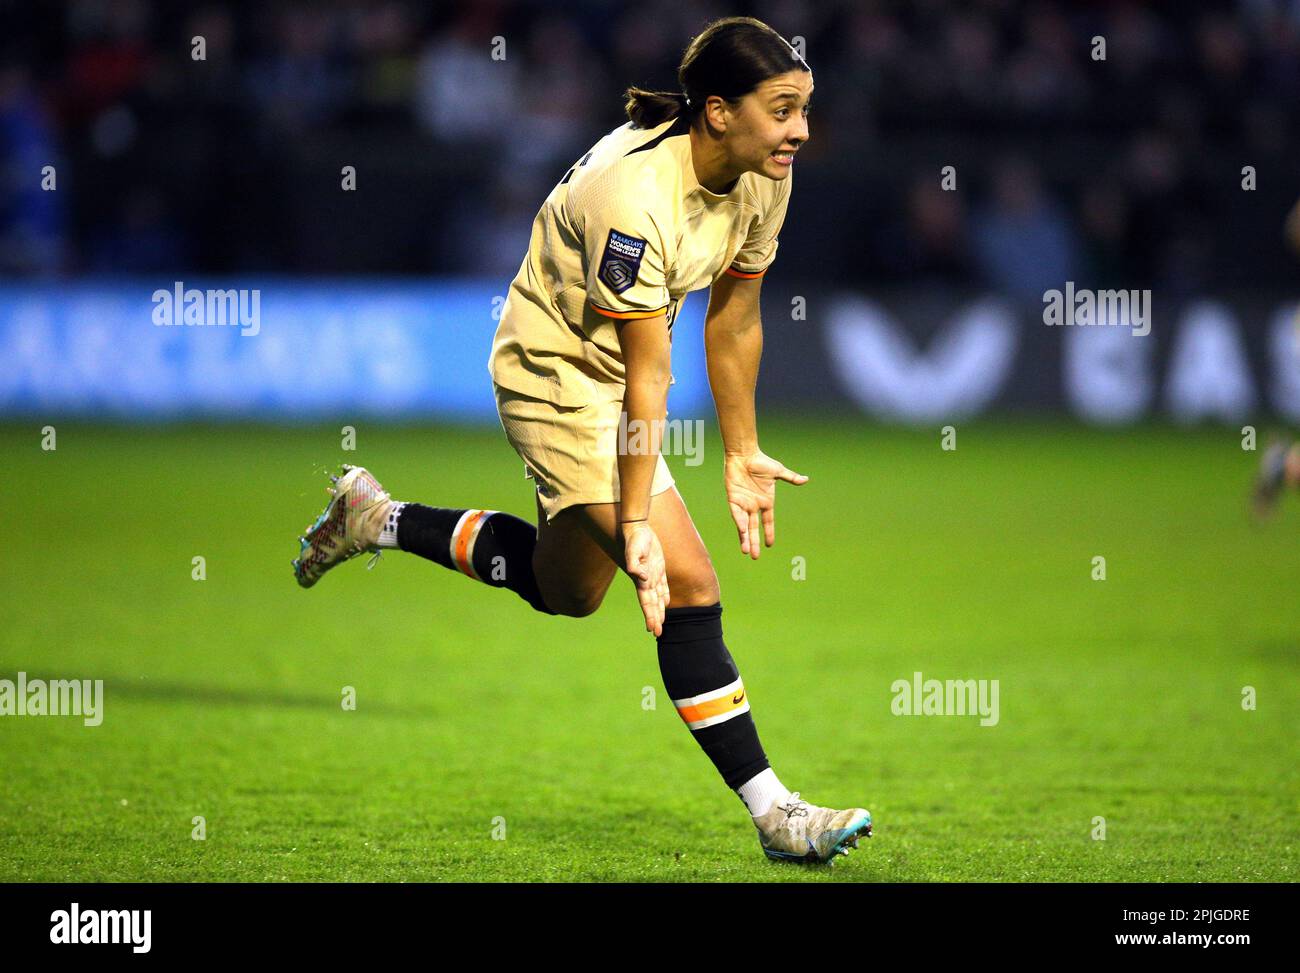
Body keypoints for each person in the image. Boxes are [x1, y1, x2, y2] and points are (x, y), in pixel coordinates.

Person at [292, 16, 871, 864]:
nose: (801, 132)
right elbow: (646, 380)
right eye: (784, 110)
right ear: (718, 111)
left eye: (805, 109)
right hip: (554, 376)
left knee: (567, 590)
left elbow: (736, 314)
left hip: (617, 380)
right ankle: (778, 814)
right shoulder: (633, 196)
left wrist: (742, 449)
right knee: (688, 580)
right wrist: (637, 520)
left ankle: (374, 516)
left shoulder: (761, 173)